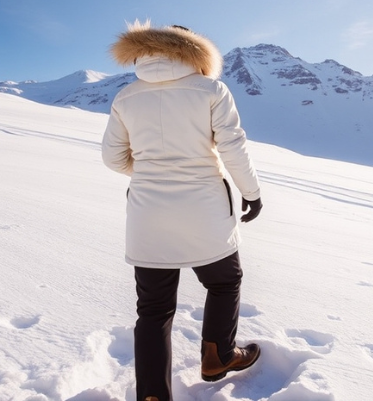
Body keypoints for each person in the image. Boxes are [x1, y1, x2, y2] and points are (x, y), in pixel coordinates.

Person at [101, 21, 263, 401]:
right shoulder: (210, 90)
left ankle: (153, 396)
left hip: (147, 213)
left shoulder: (126, 96)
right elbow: (233, 147)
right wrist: (251, 193)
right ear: (193, 52)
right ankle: (218, 356)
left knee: (153, 309)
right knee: (224, 281)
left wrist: (147, 172)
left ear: (144, 50)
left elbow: (112, 158)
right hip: (204, 208)